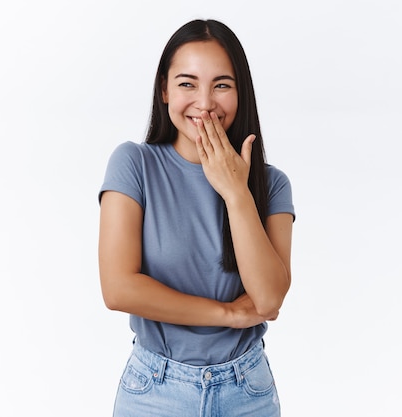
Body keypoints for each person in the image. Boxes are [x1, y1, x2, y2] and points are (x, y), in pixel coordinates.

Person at [97, 18, 295, 417]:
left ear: (241, 93)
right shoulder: (134, 164)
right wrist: (228, 314)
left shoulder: (271, 185)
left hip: (247, 391)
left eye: (222, 84)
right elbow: (118, 289)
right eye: (188, 83)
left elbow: (270, 298)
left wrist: (235, 192)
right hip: (155, 391)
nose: (205, 102)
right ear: (165, 90)